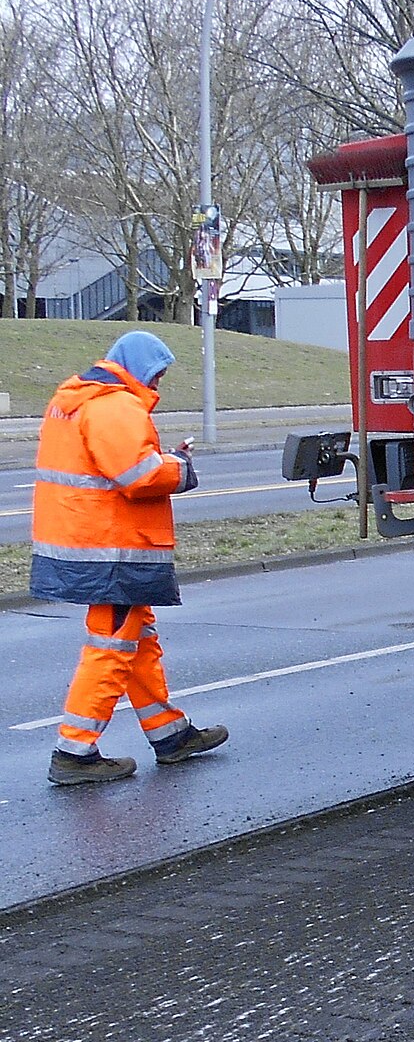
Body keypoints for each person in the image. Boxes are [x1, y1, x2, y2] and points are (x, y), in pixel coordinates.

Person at [33, 331, 227, 786]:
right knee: (111, 646)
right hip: (112, 549)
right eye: (157, 373)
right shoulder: (115, 405)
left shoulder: (77, 399)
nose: (159, 383)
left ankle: (171, 735)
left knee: (134, 639)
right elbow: (136, 476)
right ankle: (73, 752)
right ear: (138, 367)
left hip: (85, 542)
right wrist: (179, 466)